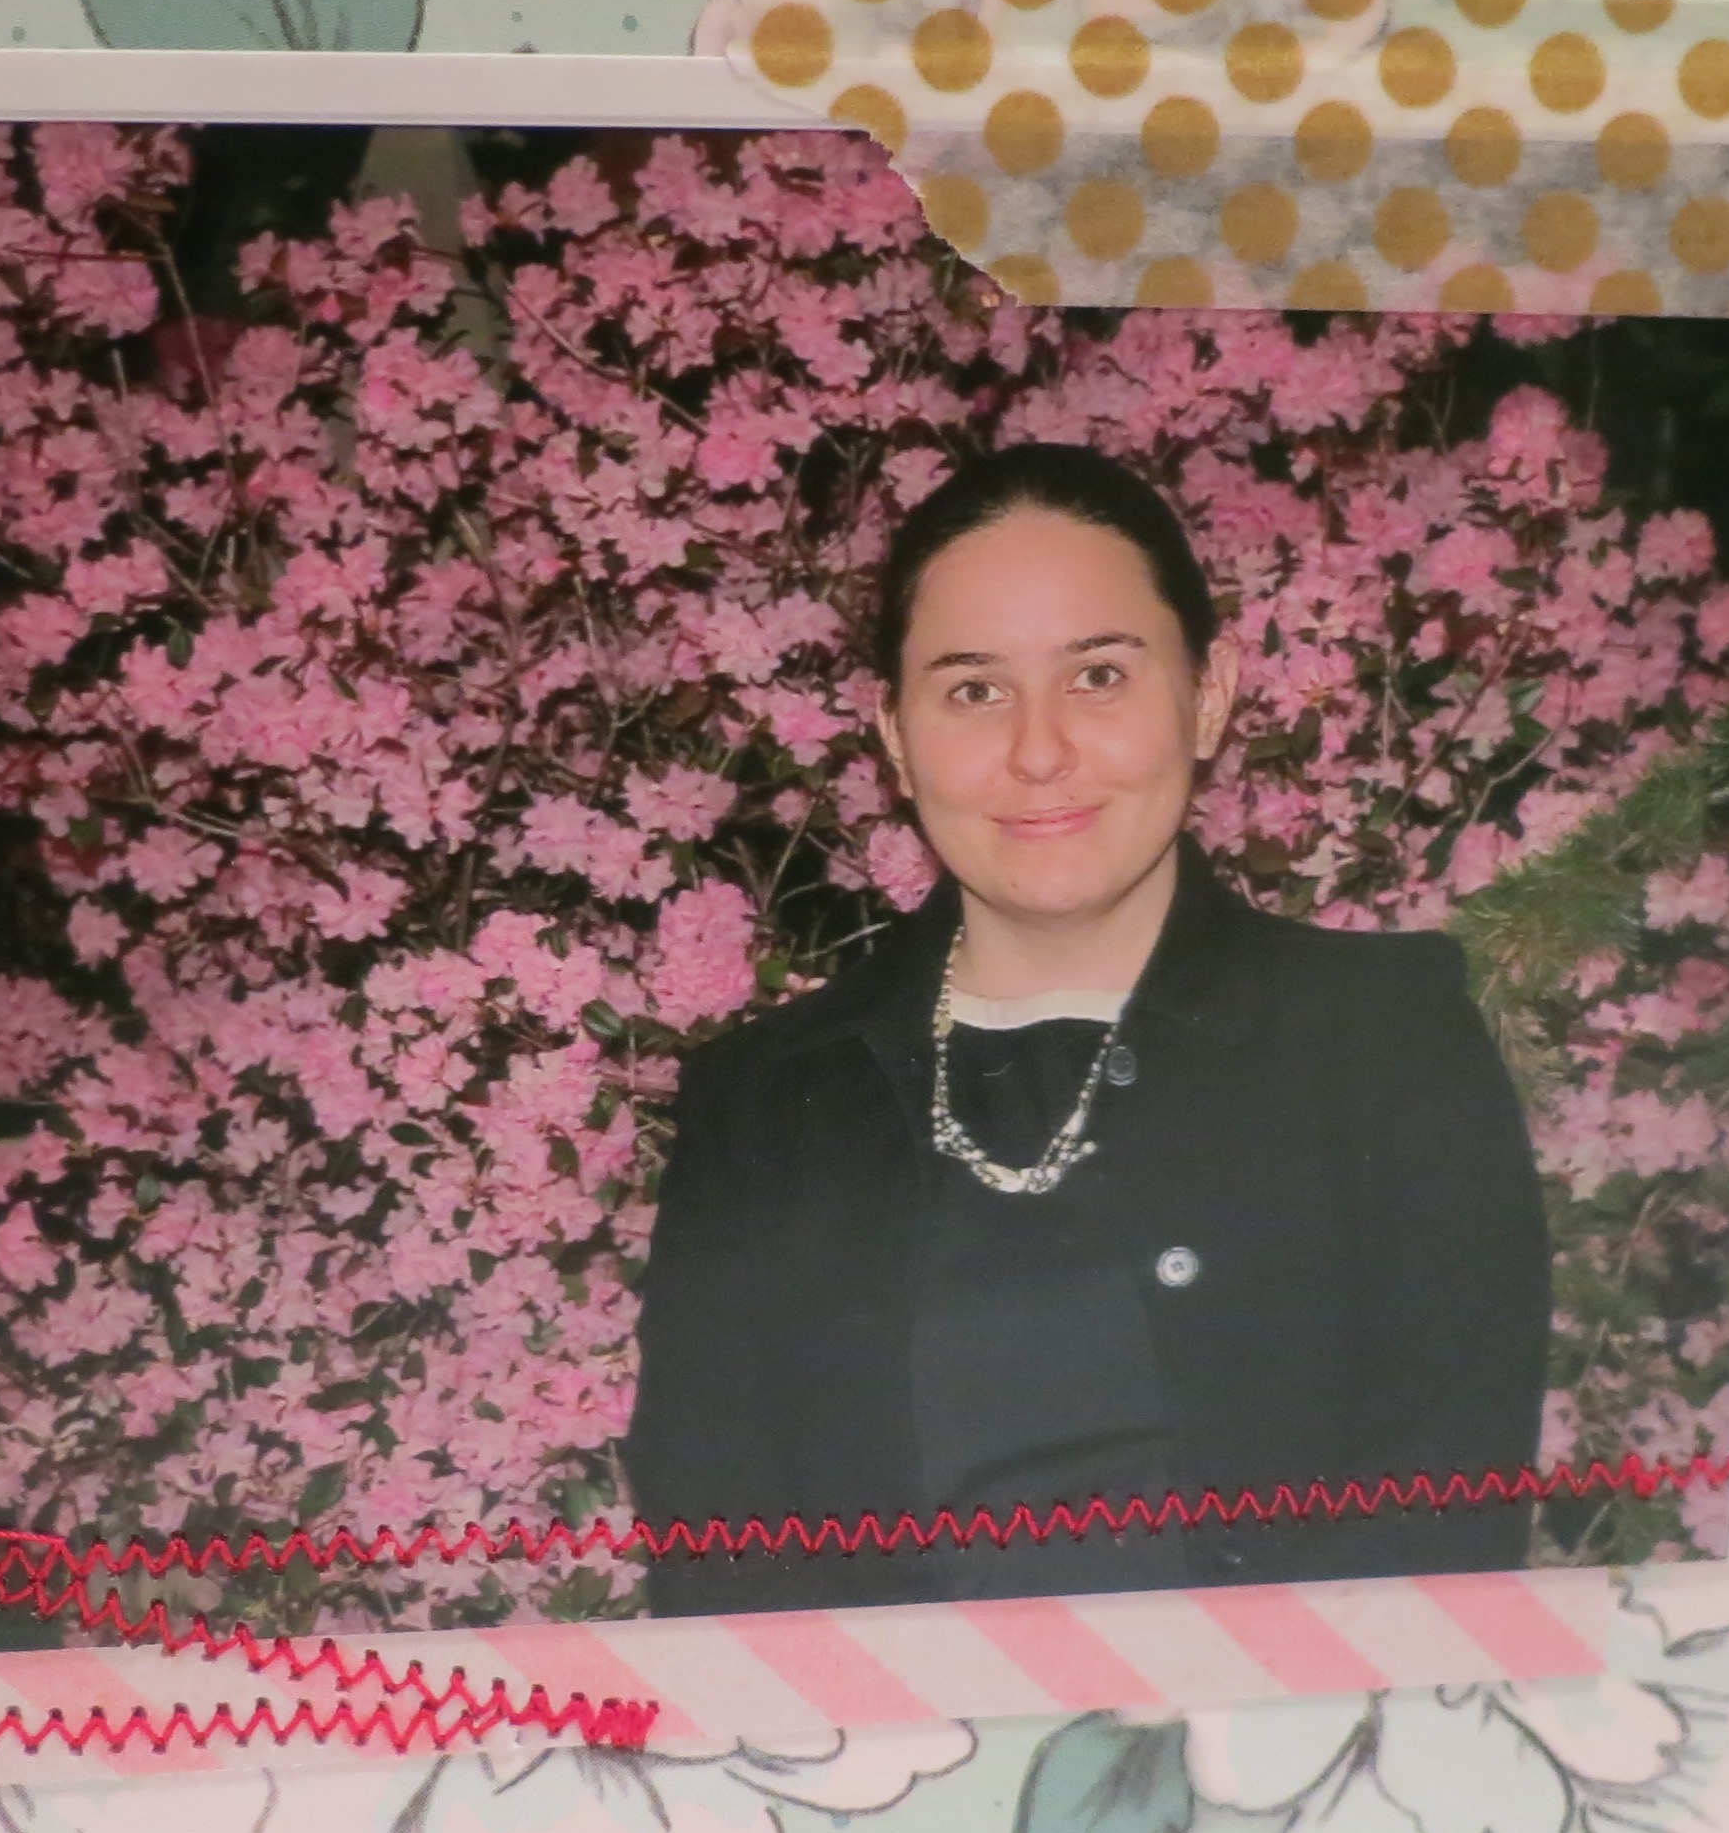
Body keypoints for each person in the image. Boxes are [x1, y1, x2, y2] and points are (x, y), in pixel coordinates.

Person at [624, 443, 1553, 1615]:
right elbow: (721, 1571)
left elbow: (1443, 1535)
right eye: (973, 690)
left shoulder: (1382, 1043)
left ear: (1205, 696)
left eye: (1099, 676)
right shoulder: (762, 1105)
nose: (1038, 750)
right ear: (894, 734)